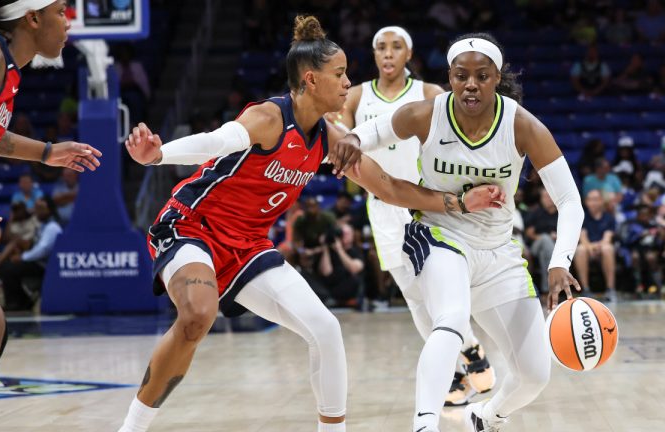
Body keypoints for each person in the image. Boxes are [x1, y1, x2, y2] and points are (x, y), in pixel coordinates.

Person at [118, 16, 505, 432]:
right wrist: (158, 155)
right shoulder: (270, 117)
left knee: (325, 328)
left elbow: (389, 186)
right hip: (192, 226)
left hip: (247, 245)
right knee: (197, 315)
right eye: (339, 74)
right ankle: (132, 428)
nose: (346, 83)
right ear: (310, 79)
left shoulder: (330, 139)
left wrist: (458, 202)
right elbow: (216, 142)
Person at [331, 32, 584, 432]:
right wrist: (353, 137)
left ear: (496, 78)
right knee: (449, 318)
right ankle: (425, 424)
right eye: (461, 75)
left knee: (535, 374)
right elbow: (379, 128)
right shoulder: (427, 113)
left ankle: (484, 417)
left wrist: (559, 262)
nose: (471, 84)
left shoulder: (522, 125)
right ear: (449, 76)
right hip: (439, 233)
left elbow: (569, 200)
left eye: (482, 76)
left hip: (498, 250)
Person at [333, 25, 495, 408]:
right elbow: (336, 139)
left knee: (439, 291)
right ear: (374, 56)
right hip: (383, 207)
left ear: (409, 53)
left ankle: (466, 343)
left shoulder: (428, 93)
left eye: (396, 47)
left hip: (425, 201)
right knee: (413, 297)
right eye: (380, 48)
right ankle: (456, 369)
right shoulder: (356, 96)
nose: (387, 54)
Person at [0, 0, 101, 428]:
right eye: (61, 10)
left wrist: (46, 153)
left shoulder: (7, 70)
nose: (68, 20)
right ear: (33, 17)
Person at [0, 197, 62, 310]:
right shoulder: (41, 225)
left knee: (8, 268)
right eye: (36, 207)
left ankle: (15, 303)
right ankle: (23, 300)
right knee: (6, 265)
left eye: (41, 208)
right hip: (36, 262)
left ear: (49, 209)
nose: (37, 210)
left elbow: (43, 249)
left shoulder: (52, 227)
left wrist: (22, 257)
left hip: (44, 266)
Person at [574, 189, 618, 302]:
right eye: (590, 200)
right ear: (586, 202)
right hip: (588, 249)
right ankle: (586, 289)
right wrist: (591, 248)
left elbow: (607, 238)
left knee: (608, 248)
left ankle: (610, 289)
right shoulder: (581, 216)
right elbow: (582, 238)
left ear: (601, 201)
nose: (593, 203)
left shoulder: (609, 218)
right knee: (580, 249)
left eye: (596, 200)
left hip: (602, 248)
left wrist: (598, 247)